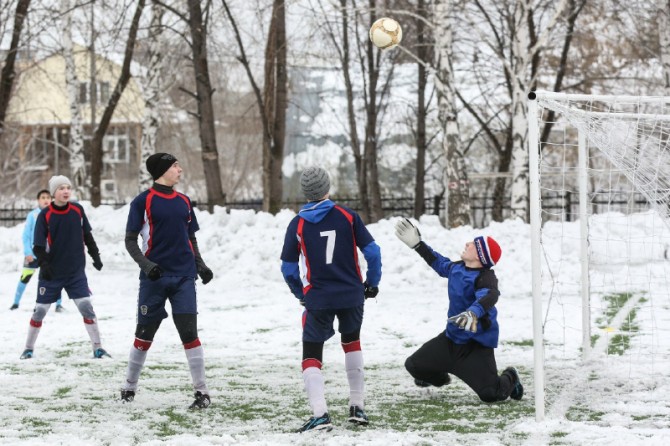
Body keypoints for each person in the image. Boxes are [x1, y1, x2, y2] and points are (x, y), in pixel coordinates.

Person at [280, 166, 382, 432]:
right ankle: (357, 406)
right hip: (351, 295)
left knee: (311, 355)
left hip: (318, 298)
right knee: (352, 344)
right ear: (327, 187)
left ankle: (320, 414)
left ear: (305, 192)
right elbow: (373, 253)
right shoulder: (347, 216)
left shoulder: (298, 223)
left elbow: (288, 269)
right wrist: (372, 284)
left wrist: (301, 294)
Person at [120, 153, 214, 410]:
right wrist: (146, 265)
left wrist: (200, 264)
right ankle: (129, 387)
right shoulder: (143, 201)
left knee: (190, 334)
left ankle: (202, 392)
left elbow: (190, 238)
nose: (180, 170)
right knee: (144, 335)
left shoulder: (184, 201)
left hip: (184, 277)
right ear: (162, 170)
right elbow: (130, 241)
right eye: (175, 166)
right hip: (154, 278)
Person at [394, 218, 523, 403]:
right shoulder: (456, 268)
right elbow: (438, 262)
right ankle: (441, 376)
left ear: (480, 256)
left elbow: (490, 295)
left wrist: (473, 313)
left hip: (475, 347)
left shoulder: (485, 277)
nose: (468, 244)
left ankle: (511, 376)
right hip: (450, 340)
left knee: (491, 394)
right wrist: (418, 245)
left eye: (474, 245)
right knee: (413, 365)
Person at [20, 176, 108, 360]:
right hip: (51, 274)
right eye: (61, 188)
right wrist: (44, 264)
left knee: (87, 307)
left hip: (75, 273)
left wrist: (96, 256)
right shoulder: (45, 215)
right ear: (54, 193)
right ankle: (28, 348)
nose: (66, 191)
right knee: (40, 311)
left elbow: (87, 236)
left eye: (68, 187)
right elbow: (38, 247)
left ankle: (98, 348)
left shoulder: (77, 210)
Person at [11, 189, 63, 311]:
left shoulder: (56, 215)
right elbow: (26, 235)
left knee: (54, 279)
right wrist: (28, 252)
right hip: (33, 255)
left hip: (50, 255)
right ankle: (15, 303)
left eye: (48, 197)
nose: (46, 200)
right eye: (43, 198)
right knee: (25, 278)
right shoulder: (32, 215)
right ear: (38, 200)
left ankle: (58, 304)